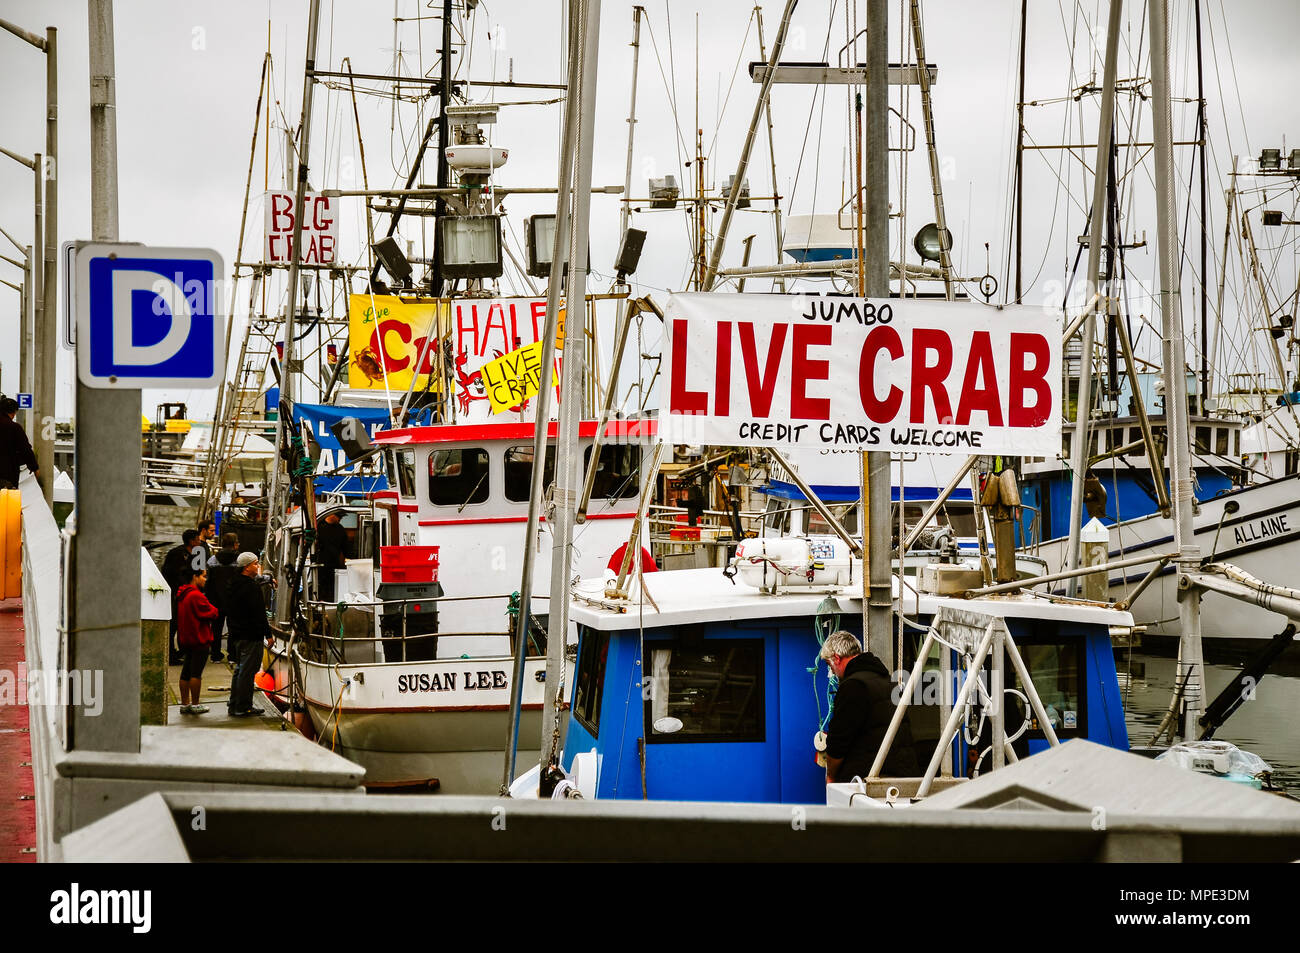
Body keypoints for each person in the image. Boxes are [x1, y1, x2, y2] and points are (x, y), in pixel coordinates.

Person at [819, 630, 919, 782]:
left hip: (868, 778)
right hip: (904, 774)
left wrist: (831, 775)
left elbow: (838, 742)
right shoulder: (889, 682)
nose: (831, 671)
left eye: (829, 665)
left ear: (837, 659)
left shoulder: (853, 686)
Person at [225, 553, 273, 717]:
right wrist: (268, 634)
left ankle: (234, 703)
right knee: (247, 671)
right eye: (255, 563)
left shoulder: (232, 584)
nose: (258, 566)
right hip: (252, 635)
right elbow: (259, 613)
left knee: (240, 669)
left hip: (237, 634)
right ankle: (243, 706)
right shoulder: (251, 588)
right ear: (246, 567)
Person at [175, 567, 219, 714]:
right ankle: (195, 704)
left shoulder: (182, 593)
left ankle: (185, 703)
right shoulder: (196, 595)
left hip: (186, 638)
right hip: (199, 638)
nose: (205, 580)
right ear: (195, 576)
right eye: (203, 576)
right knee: (196, 673)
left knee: (186, 672)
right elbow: (212, 612)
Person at [161, 529, 204, 665]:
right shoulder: (176, 554)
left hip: (191, 592)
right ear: (191, 541)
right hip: (177, 593)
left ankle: (184, 650)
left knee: (185, 623)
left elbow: (199, 572)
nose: (200, 542)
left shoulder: (198, 554)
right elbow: (169, 573)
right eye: (197, 539)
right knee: (174, 623)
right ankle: (171, 653)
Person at [205, 532, 241, 662]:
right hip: (234, 601)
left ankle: (215, 655)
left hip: (216, 600)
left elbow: (207, 581)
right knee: (233, 629)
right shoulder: (239, 561)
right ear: (235, 544)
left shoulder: (212, 560)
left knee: (216, 628)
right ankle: (232, 656)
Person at [0, 396, 39, 490]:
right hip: (7, 475)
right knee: (7, 502)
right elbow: (25, 449)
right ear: (13, 413)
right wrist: (34, 467)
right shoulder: (14, 427)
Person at [314, 512, 350, 601]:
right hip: (320, 563)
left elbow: (345, 546)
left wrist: (349, 558)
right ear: (332, 515)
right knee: (320, 584)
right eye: (339, 517)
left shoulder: (340, 529)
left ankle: (331, 601)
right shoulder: (318, 527)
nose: (340, 520)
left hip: (334, 563)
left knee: (333, 585)